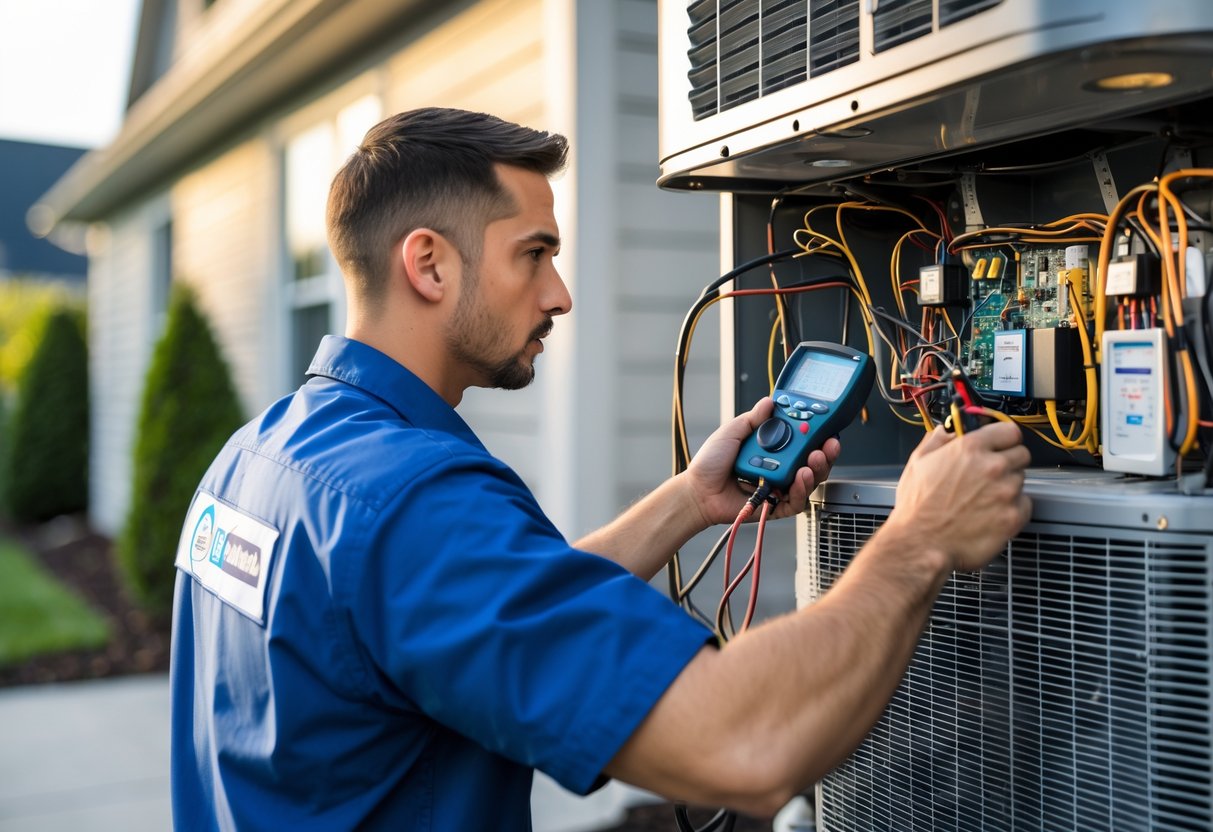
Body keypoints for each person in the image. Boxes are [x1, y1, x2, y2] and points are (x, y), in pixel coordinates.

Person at [169, 107, 1031, 830]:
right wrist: (918, 539)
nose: (558, 294)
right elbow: (743, 743)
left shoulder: (259, 457)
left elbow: (478, 625)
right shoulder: (407, 502)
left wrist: (691, 500)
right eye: (533, 254)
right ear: (428, 263)